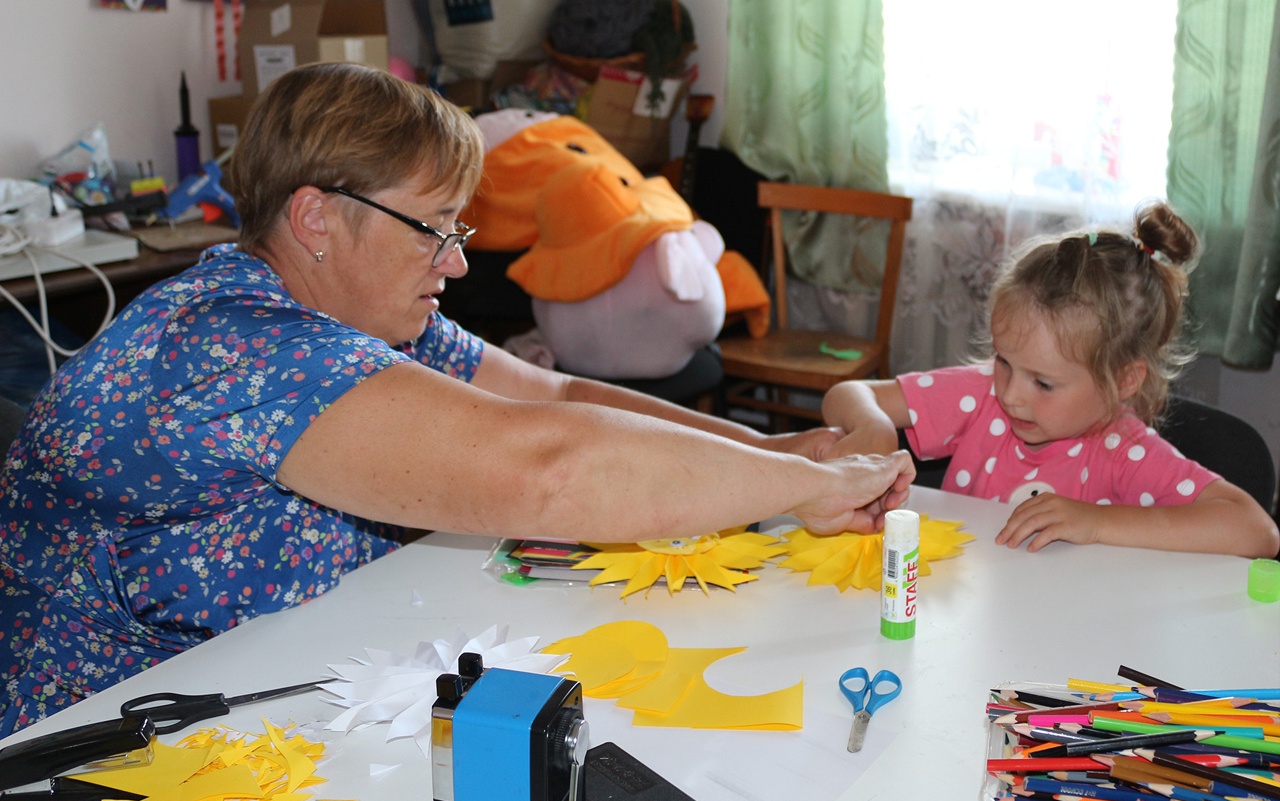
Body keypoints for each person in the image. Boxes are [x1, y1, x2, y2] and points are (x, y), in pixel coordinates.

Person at [0, 63, 914, 737]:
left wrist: (784, 455)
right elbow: (552, 470)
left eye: (458, 227)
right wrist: (793, 491)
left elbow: (553, 391)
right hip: (105, 734)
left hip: (270, 674)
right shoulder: (233, 347)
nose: (458, 260)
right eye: (433, 229)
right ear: (317, 219)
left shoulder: (357, 306)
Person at [822, 202, 1279, 558]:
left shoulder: (1120, 448)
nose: (1011, 394)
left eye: (1043, 383)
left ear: (1123, 381)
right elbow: (847, 394)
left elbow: (1257, 531)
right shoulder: (980, 395)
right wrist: (874, 427)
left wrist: (1096, 522)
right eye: (1003, 361)